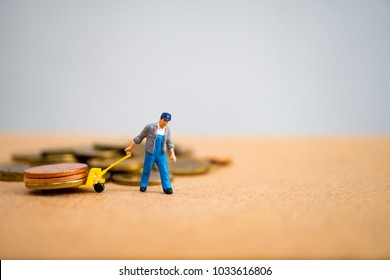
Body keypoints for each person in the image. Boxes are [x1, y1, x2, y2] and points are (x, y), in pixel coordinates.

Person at [125, 112, 176, 194]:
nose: (165, 123)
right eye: (164, 120)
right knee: (146, 169)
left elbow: (170, 142)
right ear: (160, 119)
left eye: (167, 121)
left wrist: (172, 154)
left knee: (164, 171)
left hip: (161, 154)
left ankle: (167, 187)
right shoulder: (149, 127)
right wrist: (130, 147)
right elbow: (139, 138)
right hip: (150, 153)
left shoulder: (167, 130)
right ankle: (143, 185)